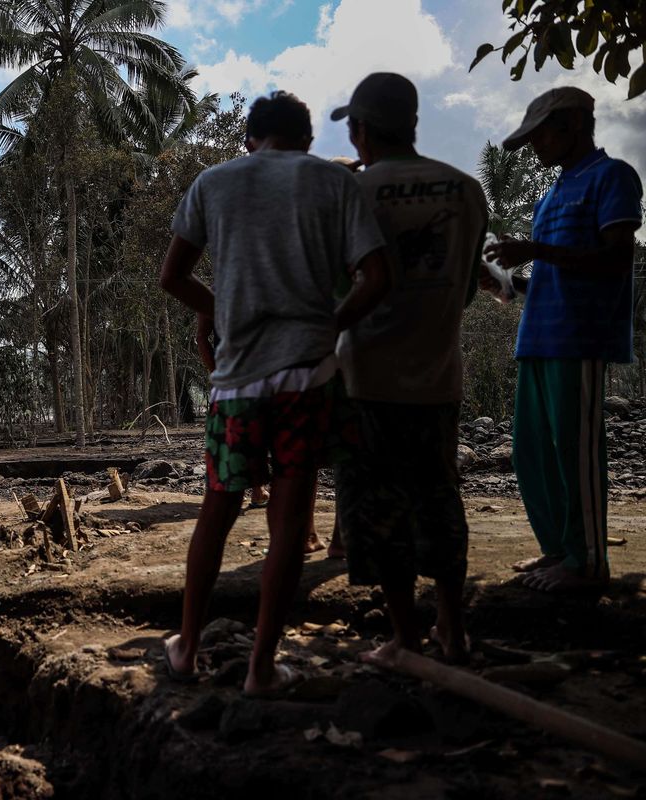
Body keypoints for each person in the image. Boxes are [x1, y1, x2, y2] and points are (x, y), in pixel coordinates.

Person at [159, 90, 389, 695]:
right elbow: (377, 276)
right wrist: (330, 324)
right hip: (307, 378)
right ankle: (262, 666)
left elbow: (172, 277)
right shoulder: (333, 183)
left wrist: (217, 311)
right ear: (310, 139)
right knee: (290, 520)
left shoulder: (214, 183)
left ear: (248, 139)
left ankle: (185, 648)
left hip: (236, 381)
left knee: (218, 508)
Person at [330, 73, 488, 665]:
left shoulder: (354, 193)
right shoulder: (465, 189)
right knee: (440, 498)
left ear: (362, 130)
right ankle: (453, 626)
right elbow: (470, 289)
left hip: (367, 380)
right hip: (438, 376)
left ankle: (405, 635)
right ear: (414, 124)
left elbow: (337, 284)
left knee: (379, 512)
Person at [485, 87, 643, 594]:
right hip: (538, 337)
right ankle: (559, 550)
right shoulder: (550, 193)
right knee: (531, 452)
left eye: (540, 135)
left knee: (576, 451)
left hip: (580, 337)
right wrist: (510, 283)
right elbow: (557, 270)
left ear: (572, 125)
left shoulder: (612, 176)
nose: (535, 146)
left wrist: (535, 250)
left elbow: (618, 260)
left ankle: (588, 562)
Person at [195, 313, 270, 512]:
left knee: (248, 434)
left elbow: (201, 336)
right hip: (240, 374)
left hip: (250, 373)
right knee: (242, 434)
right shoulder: (220, 290)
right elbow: (201, 336)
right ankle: (251, 491)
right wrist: (215, 372)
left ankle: (255, 490)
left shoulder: (222, 289)